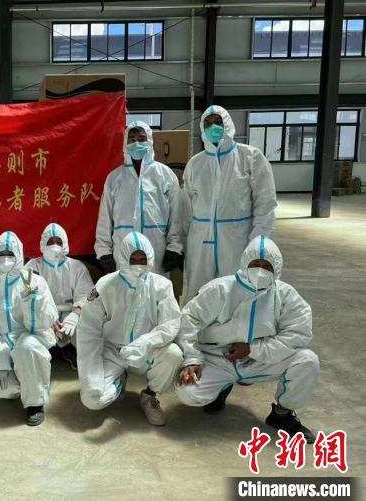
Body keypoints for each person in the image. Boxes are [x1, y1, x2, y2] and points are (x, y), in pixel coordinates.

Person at [176, 236, 318, 442]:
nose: (260, 271)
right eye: (255, 264)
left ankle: (282, 414)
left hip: (260, 360)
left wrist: (253, 349)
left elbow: (298, 334)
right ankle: (221, 387)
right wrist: (191, 359)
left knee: (307, 360)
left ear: (277, 268)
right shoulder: (220, 289)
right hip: (218, 359)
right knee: (188, 393)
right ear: (244, 263)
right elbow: (189, 319)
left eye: (267, 266)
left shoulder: (286, 296)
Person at [166, 106, 277, 305]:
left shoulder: (250, 157)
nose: (213, 127)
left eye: (218, 122)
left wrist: (258, 241)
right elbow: (185, 211)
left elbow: (265, 203)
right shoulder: (196, 163)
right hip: (200, 241)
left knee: (237, 289)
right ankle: (195, 324)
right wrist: (179, 245)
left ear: (228, 124)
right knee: (198, 291)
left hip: (237, 239)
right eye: (207, 124)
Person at [78, 232, 182, 426]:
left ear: (150, 257)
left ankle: (150, 396)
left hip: (148, 351)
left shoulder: (162, 286)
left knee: (173, 355)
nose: (138, 264)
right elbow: (88, 329)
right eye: (132, 259)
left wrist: (145, 343)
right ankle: (119, 381)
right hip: (113, 352)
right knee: (92, 400)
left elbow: (171, 323)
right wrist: (90, 376)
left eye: (143, 259)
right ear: (122, 257)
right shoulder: (106, 285)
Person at [0, 231, 59, 426]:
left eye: (10, 254)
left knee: (27, 348)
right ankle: (24, 381)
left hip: (31, 337)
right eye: (1, 254)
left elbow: (46, 321)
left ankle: (35, 402)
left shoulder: (33, 280)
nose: (5, 259)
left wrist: (34, 303)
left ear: (19, 254)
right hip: (1, 341)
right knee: (2, 389)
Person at [95, 121, 180, 276]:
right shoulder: (115, 178)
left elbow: (177, 215)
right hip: (123, 247)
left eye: (141, 139)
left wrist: (174, 248)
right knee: (124, 287)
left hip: (156, 248)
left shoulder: (165, 175)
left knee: (155, 287)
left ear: (150, 141)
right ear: (125, 143)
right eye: (132, 139)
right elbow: (105, 217)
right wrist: (103, 251)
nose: (136, 144)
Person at [24, 223, 94, 367]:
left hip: (69, 313)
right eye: (50, 242)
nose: (55, 245)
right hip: (41, 314)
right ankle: (51, 351)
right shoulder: (32, 266)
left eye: (58, 242)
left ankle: (70, 349)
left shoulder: (77, 267)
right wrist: (48, 316)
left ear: (65, 244)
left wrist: (75, 315)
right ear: (43, 243)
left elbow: (86, 295)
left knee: (87, 330)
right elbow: (28, 295)